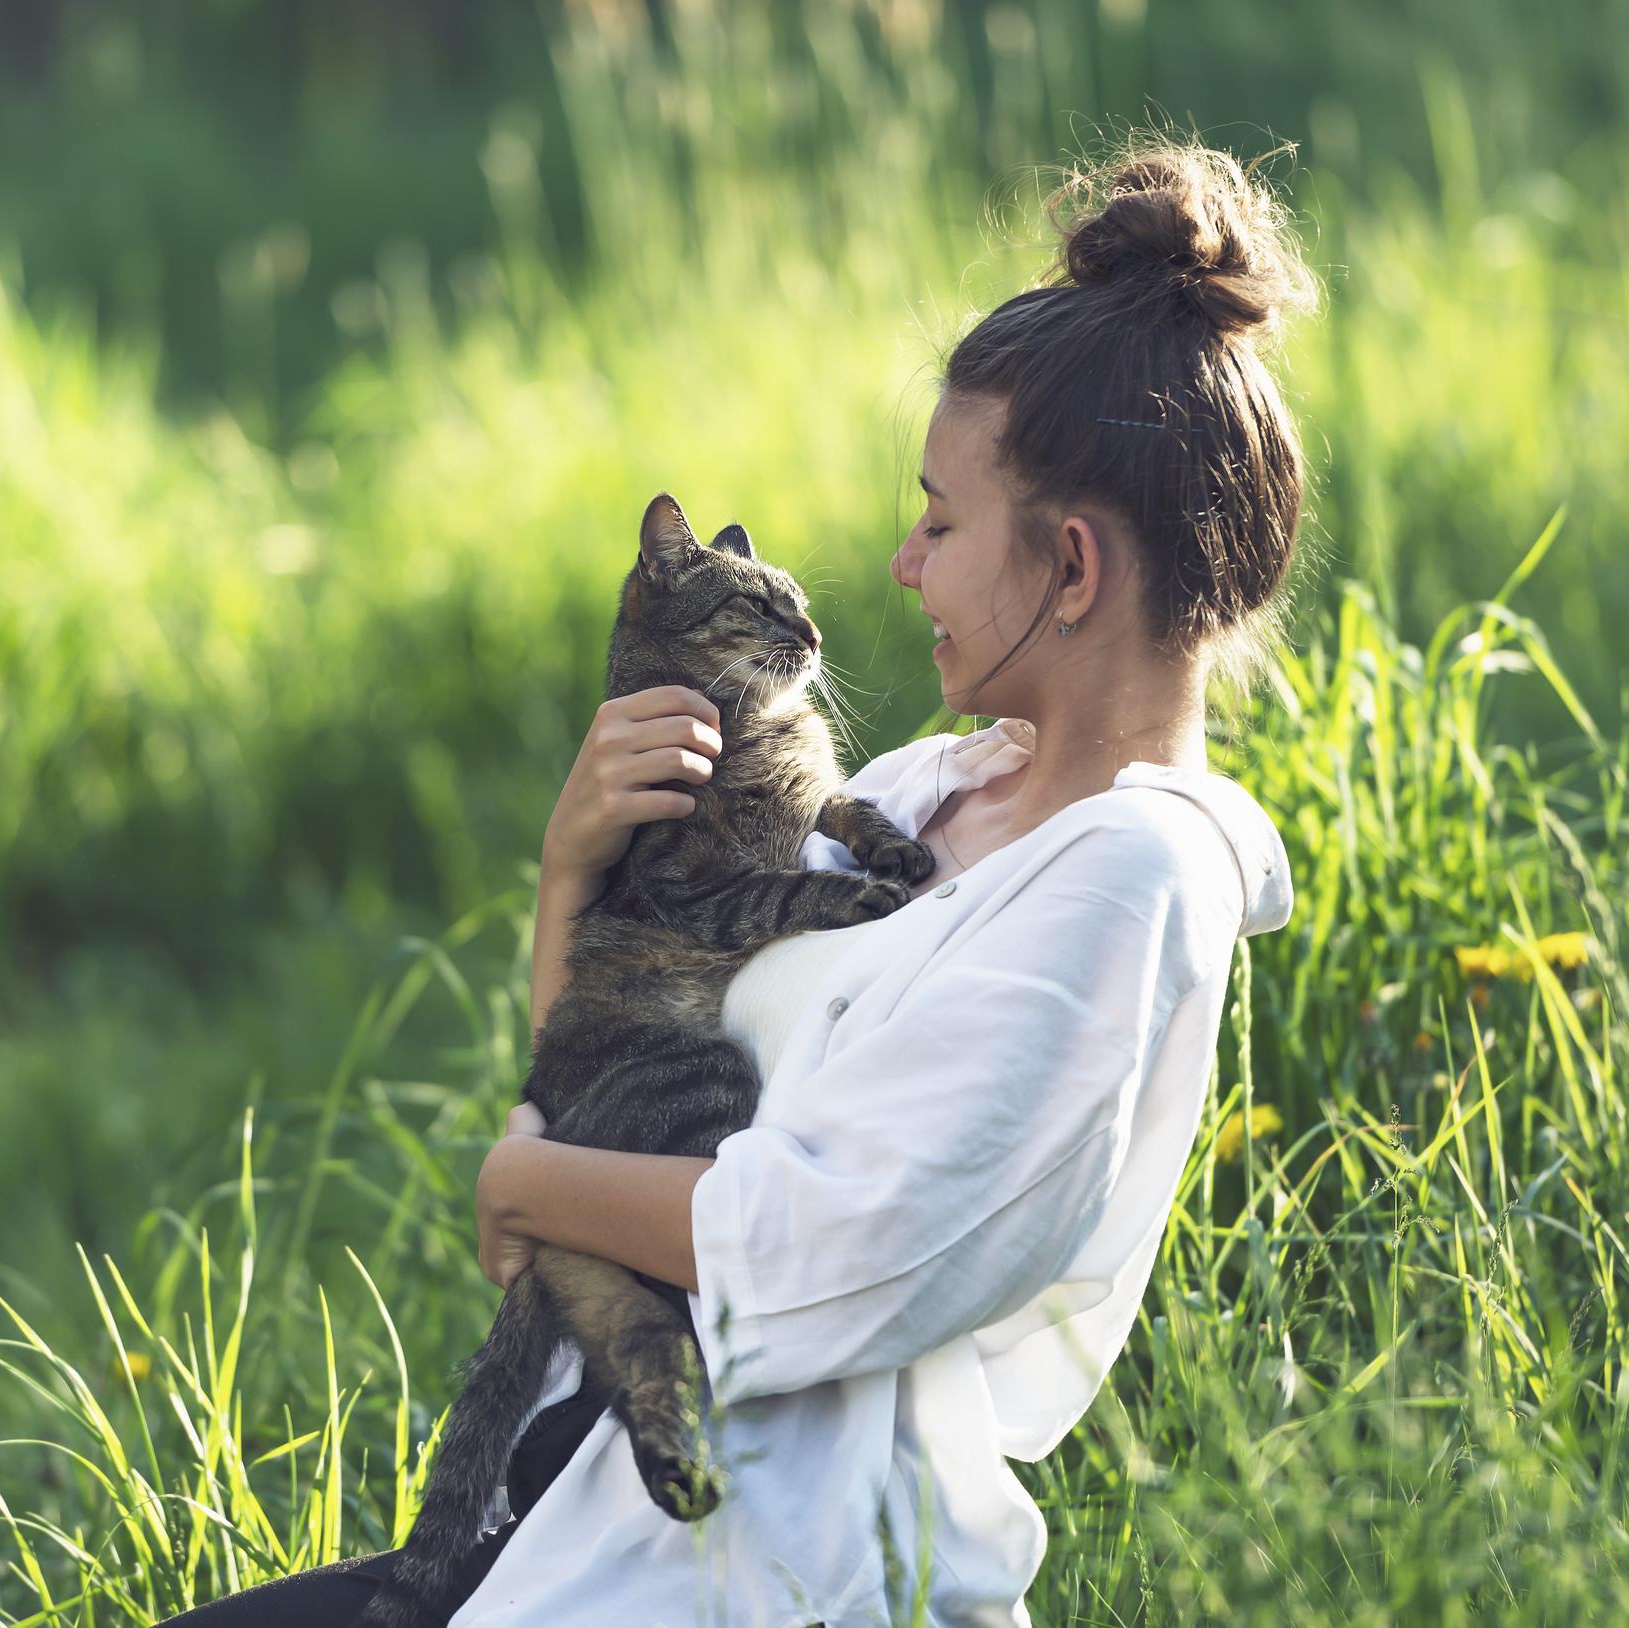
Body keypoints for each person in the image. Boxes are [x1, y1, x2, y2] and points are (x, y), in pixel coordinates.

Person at [165, 133, 1315, 1627]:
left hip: (790, 1571)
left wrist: (532, 1180)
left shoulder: (1137, 875)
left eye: (941, 523)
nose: (903, 566)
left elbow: (834, 1249)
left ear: (1075, 569)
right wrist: (573, 870)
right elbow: (626, 1053)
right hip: (592, 1500)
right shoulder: (922, 794)